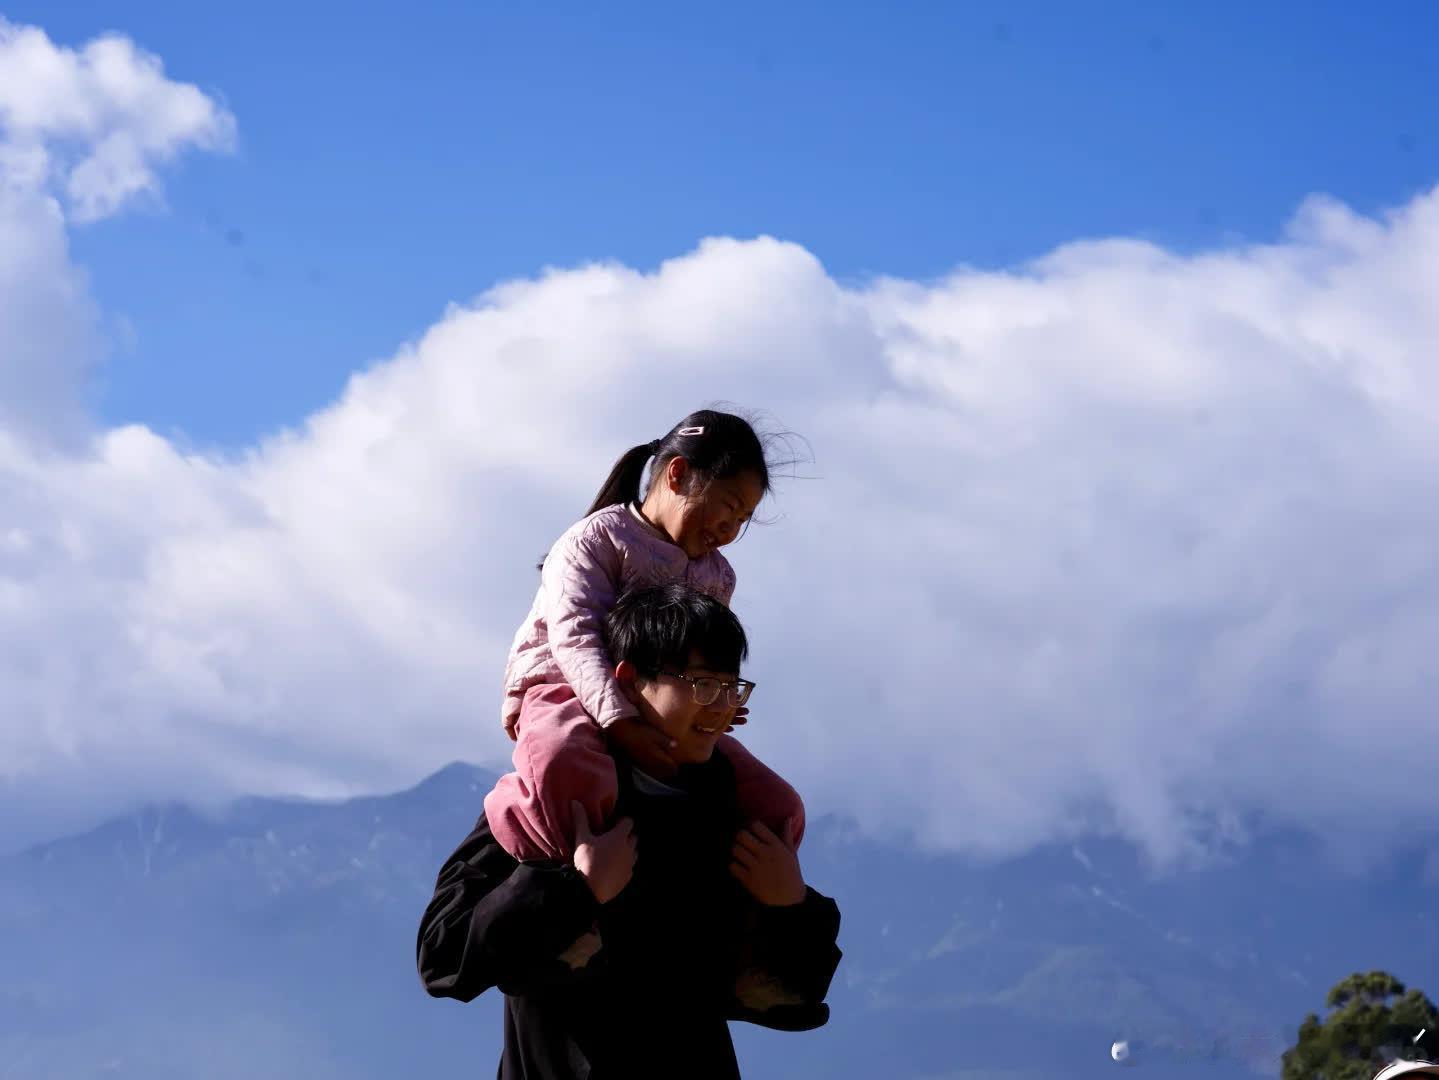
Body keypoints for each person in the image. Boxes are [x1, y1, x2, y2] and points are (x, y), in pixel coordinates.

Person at [417, 584, 842, 1079]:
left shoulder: (731, 812)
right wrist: (574, 890)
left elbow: (787, 1000)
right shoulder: (550, 801)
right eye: (703, 684)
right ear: (628, 680)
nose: (721, 707)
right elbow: (442, 955)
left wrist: (790, 907)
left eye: (732, 688)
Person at [485, 409, 805, 862]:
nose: (731, 529)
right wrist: (620, 721)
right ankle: (552, 855)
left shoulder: (717, 577)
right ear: (678, 475)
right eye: (729, 507)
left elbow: (709, 661)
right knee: (564, 760)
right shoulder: (597, 540)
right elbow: (574, 637)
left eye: (744, 519)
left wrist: (715, 701)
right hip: (564, 687)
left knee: (774, 803)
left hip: (659, 712)